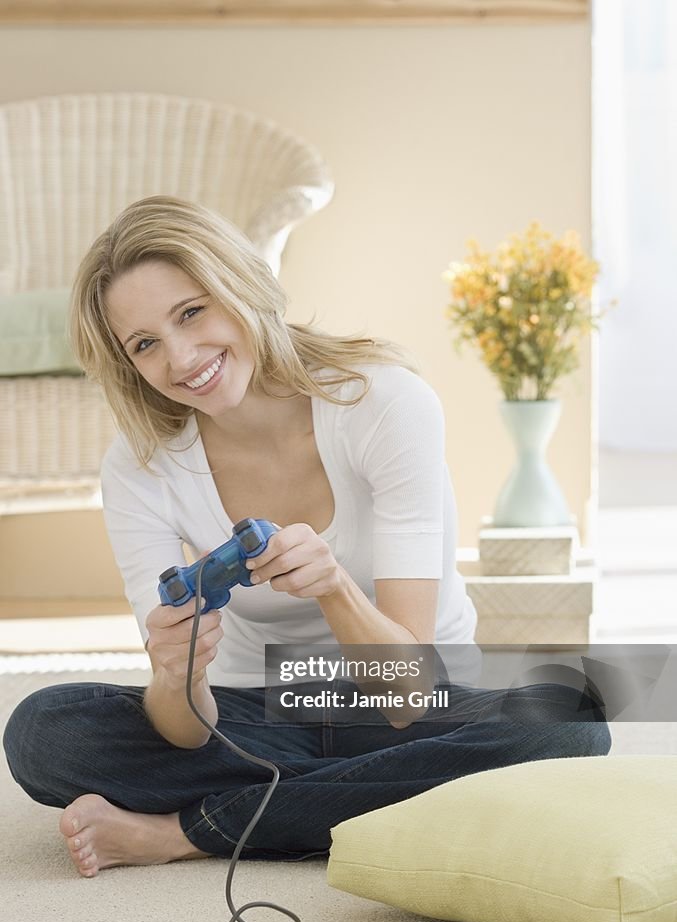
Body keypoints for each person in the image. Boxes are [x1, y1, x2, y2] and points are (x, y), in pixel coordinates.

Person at [2, 196, 611, 880]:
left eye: (191, 312)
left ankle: (190, 831)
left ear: (239, 285)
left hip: (416, 706)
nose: (181, 357)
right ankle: (394, 792)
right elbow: (185, 729)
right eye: (144, 344)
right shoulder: (139, 465)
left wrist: (333, 586)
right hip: (258, 710)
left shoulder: (381, 403)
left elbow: (408, 696)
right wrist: (176, 675)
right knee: (41, 730)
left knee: (568, 720)